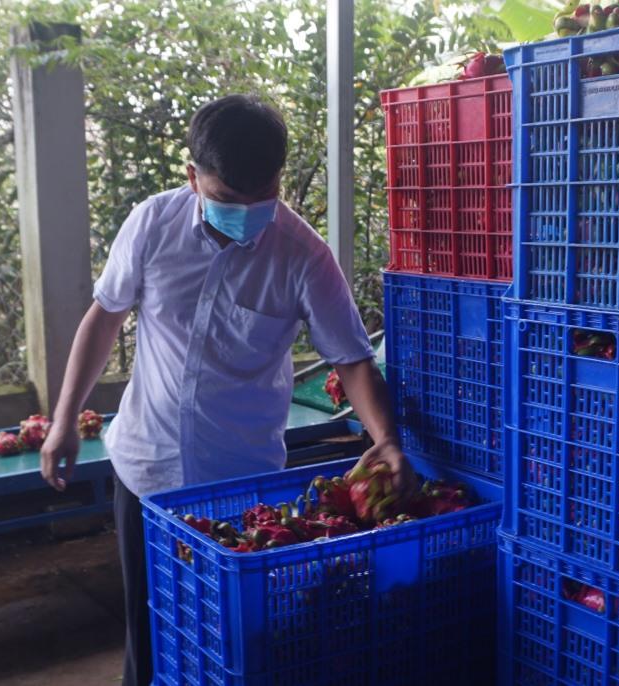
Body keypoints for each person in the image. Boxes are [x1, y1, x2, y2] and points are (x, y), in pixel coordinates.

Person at [39, 94, 415, 686]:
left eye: (258, 200)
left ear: (278, 180)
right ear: (192, 176)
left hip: (240, 486)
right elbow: (104, 317)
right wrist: (64, 419)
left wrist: (387, 440)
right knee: (150, 627)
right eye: (224, 200)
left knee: (243, 640)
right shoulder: (152, 224)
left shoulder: (304, 257)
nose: (243, 214)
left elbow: (353, 360)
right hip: (145, 475)